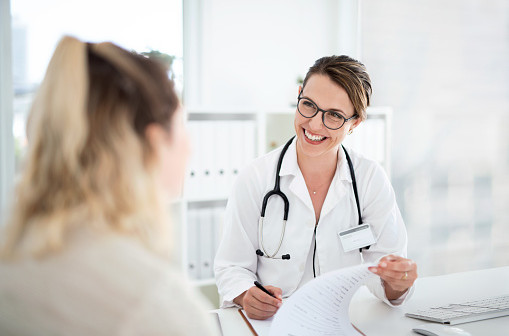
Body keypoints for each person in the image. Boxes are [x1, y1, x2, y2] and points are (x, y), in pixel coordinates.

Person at [0, 36, 219, 336]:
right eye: (183, 126)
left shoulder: (13, 250)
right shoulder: (152, 303)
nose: (190, 148)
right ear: (154, 144)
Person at [214, 55, 418, 320]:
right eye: (308, 105)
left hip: (340, 320)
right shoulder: (255, 177)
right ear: (299, 96)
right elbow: (231, 267)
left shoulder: (369, 179)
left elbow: (385, 273)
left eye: (334, 115)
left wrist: (397, 282)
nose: (314, 124)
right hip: (273, 324)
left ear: (355, 123)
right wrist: (246, 294)